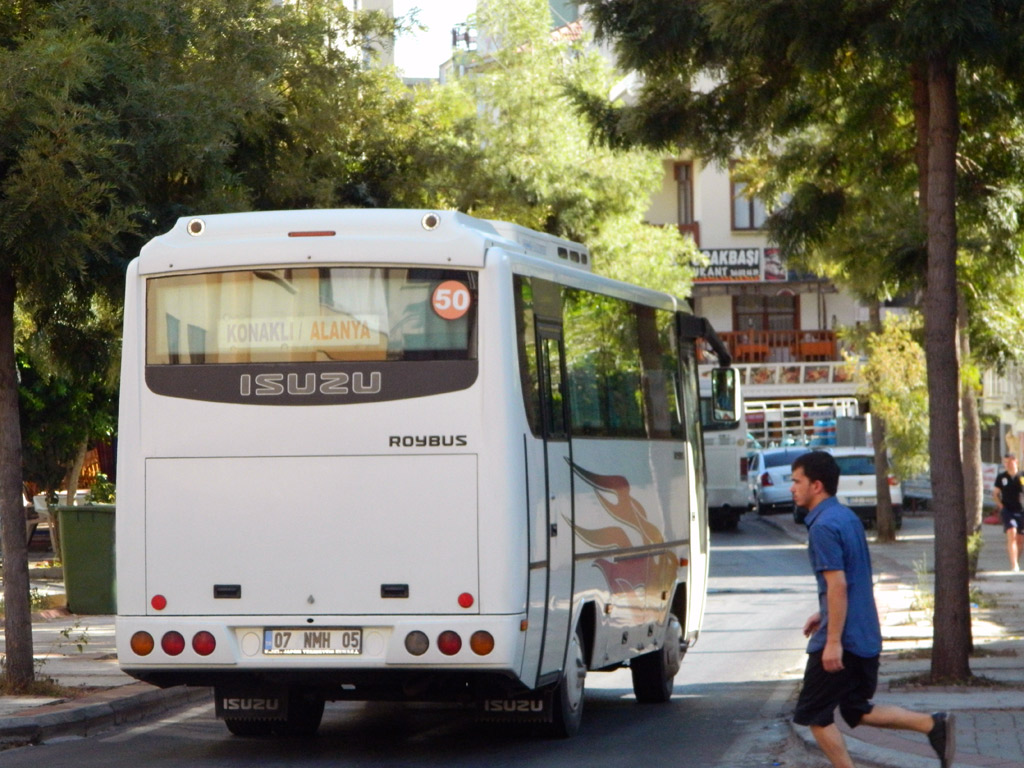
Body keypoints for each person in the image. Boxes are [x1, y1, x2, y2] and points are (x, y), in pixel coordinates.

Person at [789, 450, 955, 768]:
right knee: (855, 709)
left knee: (815, 715)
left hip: (844, 641)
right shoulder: (846, 517)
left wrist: (833, 640)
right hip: (865, 635)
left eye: (797, 481)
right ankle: (933, 725)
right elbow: (853, 578)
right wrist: (825, 613)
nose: (792, 488)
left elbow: (838, 585)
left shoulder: (823, 527)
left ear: (817, 485)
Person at [993, 452, 1024, 572]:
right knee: (1012, 533)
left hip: (1021, 510)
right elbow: (995, 494)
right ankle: (1014, 565)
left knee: (1020, 539)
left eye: (1009, 461)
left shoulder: (1022, 476)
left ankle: (1016, 559)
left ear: (1015, 461)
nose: (1007, 464)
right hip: (1008, 510)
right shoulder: (1002, 477)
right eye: (1005, 462)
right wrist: (1001, 506)